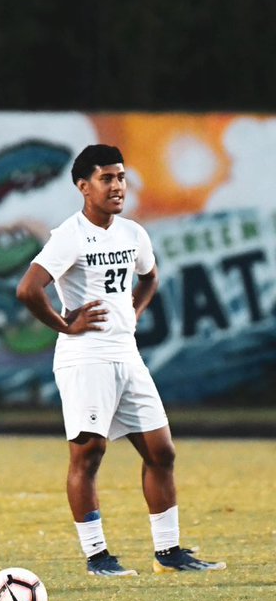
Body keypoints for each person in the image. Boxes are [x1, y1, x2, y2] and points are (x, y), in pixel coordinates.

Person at [16, 144, 226, 576]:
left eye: (121, 177)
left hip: (126, 356)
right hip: (85, 358)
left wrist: (136, 309)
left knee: (161, 452)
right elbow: (28, 289)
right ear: (83, 186)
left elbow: (150, 276)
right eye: (106, 178)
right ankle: (97, 557)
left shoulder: (133, 234)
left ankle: (169, 553)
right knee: (88, 455)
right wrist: (63, 324)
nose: (117, 186)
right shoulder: (69, 235)